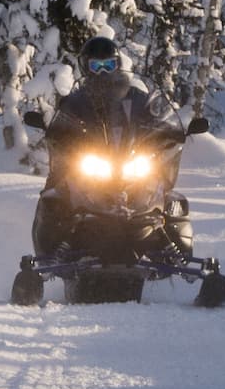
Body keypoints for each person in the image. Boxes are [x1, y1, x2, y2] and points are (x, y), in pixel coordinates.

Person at [32, 36, 168, 257]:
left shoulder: (135, 98)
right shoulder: (75, 102)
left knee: (168, 199)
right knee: (52, 197)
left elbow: (155, 121)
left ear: (118, 65)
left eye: (109, 65)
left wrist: (164, 134)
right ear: (86, 67)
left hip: (129, 162)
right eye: (97, 66)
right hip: (89, 166)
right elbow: (61, 127)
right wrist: (59, 137)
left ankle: (171, 251)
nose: (103, 72)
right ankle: (50, 255)